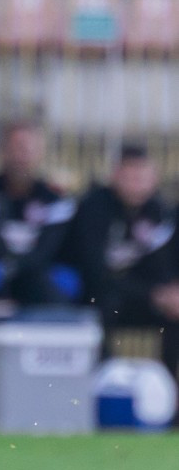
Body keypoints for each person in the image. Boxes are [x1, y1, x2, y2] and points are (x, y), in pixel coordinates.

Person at [67, 144, 179, 373]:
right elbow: (94, 271)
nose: (136, 182)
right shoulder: (94, 208)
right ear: (115, 175)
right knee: (101, 308)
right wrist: (153, 293)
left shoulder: (160, 212)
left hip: (144, 298)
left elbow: (163, 266)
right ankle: (106, 382)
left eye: (142, 175)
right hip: (100, 296)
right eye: (130, 175)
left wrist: (169, 293)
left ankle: (167, 389)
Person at [0, 119, 79, 307]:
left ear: (40, 153)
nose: (22, 156)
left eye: (28, 149)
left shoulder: (55, 200)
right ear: (2, 150)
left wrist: (11, 267)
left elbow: (47, 250)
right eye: (16, 147)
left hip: (36, 275)